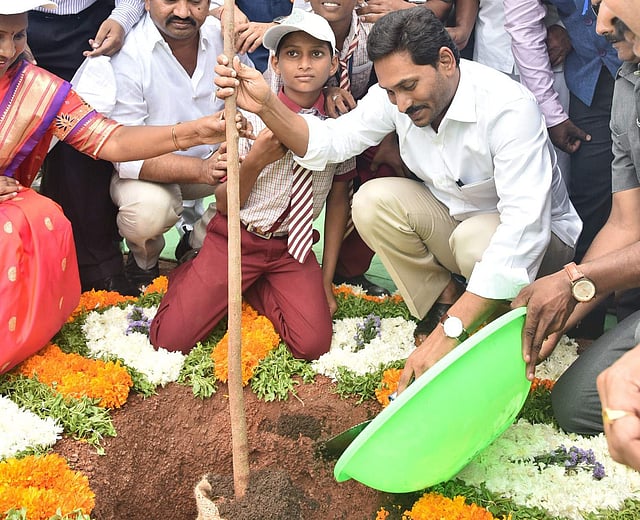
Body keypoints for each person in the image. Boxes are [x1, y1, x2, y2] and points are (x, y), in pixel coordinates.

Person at [214, 8, 582, 391]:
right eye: (391, 92)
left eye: (408, 87)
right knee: (372, 201)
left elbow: (523, 230)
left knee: (476, 242)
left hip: (540, 249)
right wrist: (267, 105)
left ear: (446, 61)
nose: (401, 104)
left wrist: (451, 332)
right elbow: (331, 142)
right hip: (460, 229)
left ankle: (497, 325)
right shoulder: (393, 97)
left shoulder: (508, 106)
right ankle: (445, 298)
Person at [0, 0, 250, 374]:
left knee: (44, 217)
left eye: (19, 36)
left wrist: (195, 132)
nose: (8, 50)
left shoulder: (36, 88)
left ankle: (19, 339)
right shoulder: (133, 52)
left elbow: (110, 140)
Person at [150, 9, 355, 358]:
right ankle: (196, 272)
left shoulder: (341, 124)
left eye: (317, 54)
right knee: (168, 341)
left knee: (313, 345)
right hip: (237, 238)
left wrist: (326, 280)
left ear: (333, 64)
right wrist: (257, 159)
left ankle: (255, 285)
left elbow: (338, 200)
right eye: (293, 54)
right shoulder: (247, 119)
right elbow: (224, 204)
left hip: (293, 248)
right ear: (275, 63)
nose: (304, 64)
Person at [512, 5, 640, 435]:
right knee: (578, 404)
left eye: (611, 6)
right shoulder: (627, 82)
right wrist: (558, 319)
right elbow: (625, 223)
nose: (598, 27)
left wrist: (575, 281)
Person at [73, 0, 254, 291]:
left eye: (195, 2)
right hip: (150, 172)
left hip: (216, 164)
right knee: (148, 211)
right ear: (145, 1)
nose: (182, 12)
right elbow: (128, 156)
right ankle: (143, 263)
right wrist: (202, 169)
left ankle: (197, 243)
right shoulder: (127, 52)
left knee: (263, 173)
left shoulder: (224, 36)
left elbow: (253, 109)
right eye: (170, 0)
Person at [264, 0, 399, 296]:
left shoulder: (374, 30)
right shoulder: (288, 31)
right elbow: (273, 103)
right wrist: (324, 89)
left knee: (387, 167)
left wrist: (390, 138)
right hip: (296, 124)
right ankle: (272, 251)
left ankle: (346, 269)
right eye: (294, 54)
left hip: (360, 128)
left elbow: (393, 85)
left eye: (316, 54)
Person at [505, 0, 623, 340]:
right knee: (592, 202)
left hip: (631, 60)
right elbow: (524, 26)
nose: (601, 23)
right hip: (591, 81)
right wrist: (552, 114)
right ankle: (584, 329)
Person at [28, 0, 145, 296]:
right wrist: (10, 33)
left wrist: (122, 16)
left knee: (85, 150)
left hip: (92, 31)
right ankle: (29, 268)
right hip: (16, 22)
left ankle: (96, 270)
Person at [209, 0, 294, 72]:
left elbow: (302, 13)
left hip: (289, 52)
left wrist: (277, 26)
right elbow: (205, 7)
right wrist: (224, 10)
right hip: (244, 56)